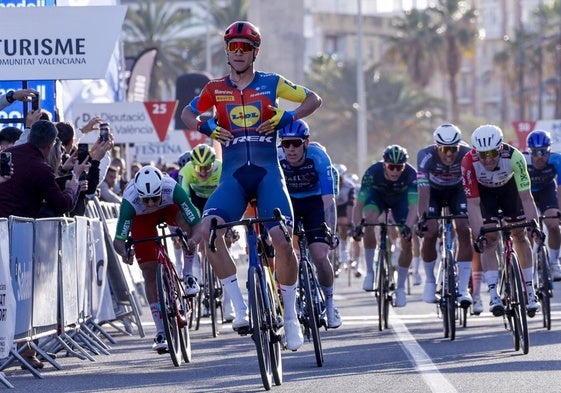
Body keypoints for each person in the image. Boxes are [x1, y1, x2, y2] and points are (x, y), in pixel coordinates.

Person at [180, 20, 322, 351]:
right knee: (211, 231)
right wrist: (208, 127)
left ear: (255, 51)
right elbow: (187, 115)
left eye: (245, 47)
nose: (238, 52)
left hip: (267, 173)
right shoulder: (215, 89)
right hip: (233, 178)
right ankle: (240, 309)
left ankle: (289, 316)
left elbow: (314, 99)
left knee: (282, 241)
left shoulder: (272, 83)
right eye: (233, 47)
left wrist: (289, 117)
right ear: (227, 51)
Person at [112, 165, 202, 352]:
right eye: (147, 199)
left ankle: (188, 273)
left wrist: (192, 240)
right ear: (139, 195)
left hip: (168, 209)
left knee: (186, 226)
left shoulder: (172, 188)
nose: (151, 203)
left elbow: (197, 223)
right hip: (141, 218)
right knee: (148, 271)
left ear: (161, 190)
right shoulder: (130, 201)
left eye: (155, 198)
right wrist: (125, 253)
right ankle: (161, 330)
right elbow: (118, 240)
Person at [461, 124, 541, 317]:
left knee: (520, 235)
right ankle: (494, 294)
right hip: (484, 195)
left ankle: (530, 292)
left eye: (492, 153)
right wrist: (479, 234)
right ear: (475, 152)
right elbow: (472, 204)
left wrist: (534, 225)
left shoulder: (515, 157)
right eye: (482, 154)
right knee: (489, 239)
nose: (487, 159)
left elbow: (526, 197)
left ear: (500, 148)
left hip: (509, 190)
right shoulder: (468, 162)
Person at [278, 119, 342, 328]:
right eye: (285, 144)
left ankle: (330, 304)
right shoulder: (277, 158)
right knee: (287, 252)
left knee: (321, 256)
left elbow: (328, 200)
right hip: (290, 203)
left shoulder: (319, 157)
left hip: (315, 202)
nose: (290, 149)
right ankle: (290, 303)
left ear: (305, 142)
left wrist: (330, 231)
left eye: (295, 143)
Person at [353, 145, 418, 307]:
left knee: (407, 240)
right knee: (369, 220)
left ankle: (401, 288)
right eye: (391, 167)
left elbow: (413, 208)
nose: (395, 171)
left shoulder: (411, 175)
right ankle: (369, 272)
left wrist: (408, 228)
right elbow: (359, 205)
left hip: (400, 201)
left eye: (399, 167)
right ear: (384, 165)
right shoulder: (372, 173)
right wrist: (357, 226)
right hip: (377, 198)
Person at [416, 124, 473, 306]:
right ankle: (430, 281)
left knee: (464, 230)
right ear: (436, 147)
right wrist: (423, 218)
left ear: (459, 146)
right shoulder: (425, 156)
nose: (449, 154)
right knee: (430, 232)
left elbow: (473, 189)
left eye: (453, 149)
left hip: (458, 192)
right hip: (434, 193)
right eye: (444, 149)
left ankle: (463, 289)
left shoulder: (468, 154)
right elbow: (423, 191)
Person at [524, 130, 561, 281]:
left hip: (546, 191)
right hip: (526, 193)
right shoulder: (523, 160)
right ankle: (528, 265)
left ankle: (554, 262)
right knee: (527, 230)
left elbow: (560, 189)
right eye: (535, 152)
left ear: (550, 150)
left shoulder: (557, 160)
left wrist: (559, 212)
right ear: (529, 151)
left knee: (553, 225)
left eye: (544, 151)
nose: (540, 156)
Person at [333, 163, 362, 278]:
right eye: (336, 178)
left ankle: (344, 251)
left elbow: (351, 207)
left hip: (346, 207)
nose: (338, 181)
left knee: (344, 224)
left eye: (340, 179)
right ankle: (336, 255)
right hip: (335, 207)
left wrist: (351, 223)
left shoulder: (350, 187)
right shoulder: (330, 184)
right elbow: (330, 205)